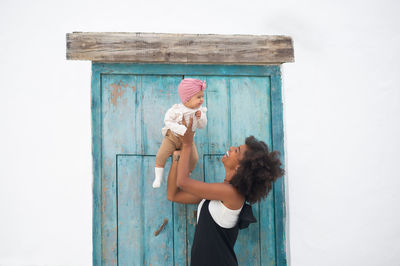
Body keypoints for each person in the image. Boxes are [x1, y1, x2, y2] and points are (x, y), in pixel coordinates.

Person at [166, 116, 285, 266]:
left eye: (237, 150)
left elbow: (183, 182)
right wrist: (178, 157)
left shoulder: (232, 194)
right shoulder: (218, 194)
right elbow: (173, 195)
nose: (231, 149)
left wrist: (187, 143)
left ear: (240, 168)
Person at [153, 78, 208, 188]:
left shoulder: (199, 111)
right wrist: (181, 129)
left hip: (188, 140)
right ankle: (158, 178)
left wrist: (201, 117)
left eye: (202, 96)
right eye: (198, 97)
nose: (201, 100)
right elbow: (168, 121)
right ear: (187, 99)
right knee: (161, 155)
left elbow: (202, 126)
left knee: (194, 158)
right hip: (172, 138)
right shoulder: (176, 109)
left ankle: (186, 174)